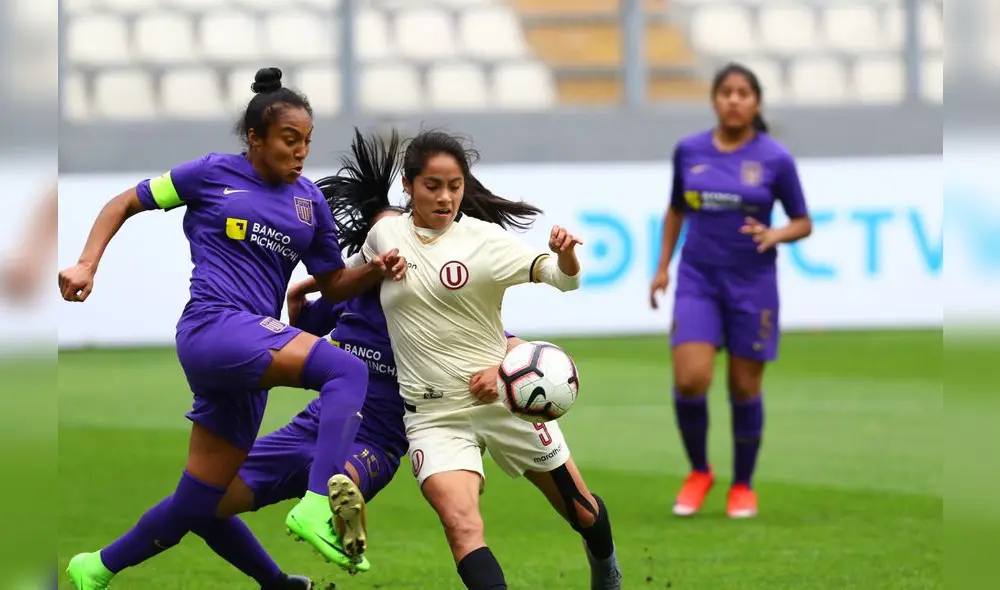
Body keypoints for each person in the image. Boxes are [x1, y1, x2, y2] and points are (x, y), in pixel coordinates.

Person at [59, 68, 406, 589]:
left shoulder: (309, 203)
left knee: (202, 502)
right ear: (255, 138)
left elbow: (334, 285)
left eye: (307, 141)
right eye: (290, 140)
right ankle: (317, 506)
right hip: (214, 326)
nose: (301, 152)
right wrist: (87, 264)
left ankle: (96, 568)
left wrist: (374, 271)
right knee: (347, 371)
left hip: (250, 357)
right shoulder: (208, 174)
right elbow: (125, 201)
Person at [342, 128, 623, 590]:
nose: (446, 196)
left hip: (506, 401)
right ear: (409, 186)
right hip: (434, 416)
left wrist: (566, 256)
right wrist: (320, 291)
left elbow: (562, 279)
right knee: (462, 528)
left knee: (582, 511)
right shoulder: (384, 235)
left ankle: (606, 569)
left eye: (455, 186)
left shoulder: (484, 242)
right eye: (433, 185)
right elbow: (346, 280)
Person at [649, 62, 813, 519]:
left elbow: (803, 222)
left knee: (744, 387)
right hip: (698, 279)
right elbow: (676, 210)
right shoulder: (689, 151)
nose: (735, 100)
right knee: (690, 379)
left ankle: (742, 485)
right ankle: (699, 470)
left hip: (753, 284)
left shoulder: (775, 158)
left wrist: (775, 234)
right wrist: (662, 267)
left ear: (756, 102)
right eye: (726, 92)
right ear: (714, 100)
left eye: (744, 93)